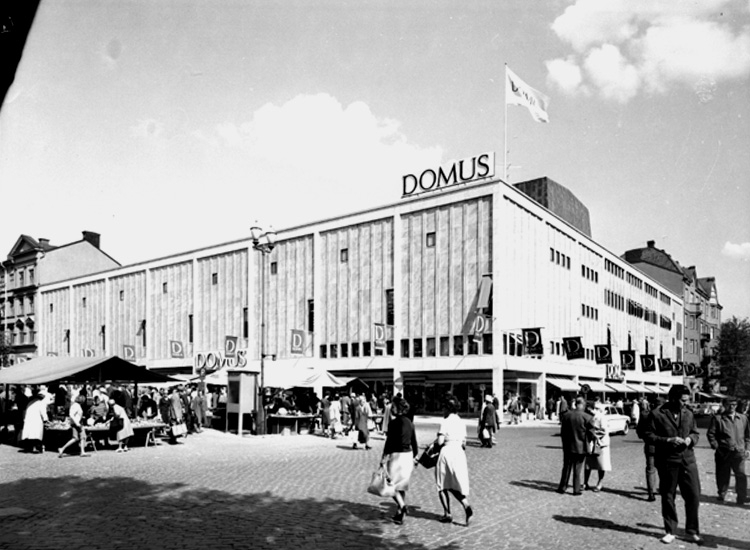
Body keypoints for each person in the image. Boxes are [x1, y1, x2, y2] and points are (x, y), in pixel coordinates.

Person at [643, 384, 701, 544]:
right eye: (683, 400)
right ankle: (670, 530)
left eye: (687, 400)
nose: (686, 403)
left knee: (694, 495)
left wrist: (690, 439)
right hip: (667, 461)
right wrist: (668, 440)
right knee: (668, 496)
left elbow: (695, 433)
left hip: (688, 460)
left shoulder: (689, 413)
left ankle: (691, 531)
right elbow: (647, 435)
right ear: (673, 399)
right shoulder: (657, 414)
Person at [434, 397, 473, 526]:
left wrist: (438, 437)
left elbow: (440, 442)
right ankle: (466, 505)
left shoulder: (445, 422)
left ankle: (447, 514)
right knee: (455, 484)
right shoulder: (462, 422)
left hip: (447, 452)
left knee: (442, 484)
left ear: (447, 408)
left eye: (444, 408)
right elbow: (464, 443)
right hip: (459, 454)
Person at [381, 396, 419, 525]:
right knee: (401, 486)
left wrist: (383, 458)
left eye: (393, 407)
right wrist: (415, 457)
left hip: (397, 456)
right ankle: (399, 514)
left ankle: (402, 506)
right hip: (408, 456)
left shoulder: (393, 423)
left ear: (398, 408)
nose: (391, 409)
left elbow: (389, 442)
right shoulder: (410, 423)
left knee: (391, 485)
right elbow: (414, 443)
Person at [706, 397, 750, 505]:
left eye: (734, 404)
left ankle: (741, 497)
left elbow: (747, 435)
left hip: (739, 452)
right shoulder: (718, 419)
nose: (732, 407)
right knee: (723, 474)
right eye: (729, 404)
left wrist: (747, 448)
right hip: (724, 452)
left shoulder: (743, 418)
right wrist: (716, 446)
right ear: (724, 405)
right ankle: (722, 494)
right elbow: (711, 434)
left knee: (741, 475)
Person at [556, 396, 594, 496]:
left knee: (566, 467)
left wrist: (565, 443)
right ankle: (576, 489)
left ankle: (562, 487)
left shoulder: (566, 415)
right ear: (583, 405)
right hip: (580, 447)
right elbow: (591, 434)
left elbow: (563, 432)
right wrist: (588, 442)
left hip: (568, 446)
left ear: (575, 404)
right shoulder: (587, 417)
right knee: (577, 469)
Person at [584, 402, 611, 492]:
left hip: (601, 444)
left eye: (590, 410)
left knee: (601, 465)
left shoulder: (602, 418)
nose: (589, 411)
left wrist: (592, 433)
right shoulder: (590, 417)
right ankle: (585, 482)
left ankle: (600, 483)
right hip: (591, 443)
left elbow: (603, 430)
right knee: (588, 464)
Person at [636, 400, 658, 501]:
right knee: (664, 468)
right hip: (663, 446)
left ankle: (651, 493)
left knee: (650, 469)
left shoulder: (645, 415)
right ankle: (663, 489)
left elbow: (639, 430)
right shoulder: (665, 416)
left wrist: (645, 437)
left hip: (650, 445)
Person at [58, 393, 90, 458]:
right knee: (82, 437)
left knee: (76, 438)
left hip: (76, 423)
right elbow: (71, 415)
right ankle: (82, 452)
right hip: (77, 424)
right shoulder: (76, 406)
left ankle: (62, 449)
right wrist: (77, 423)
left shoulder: (75, 405)